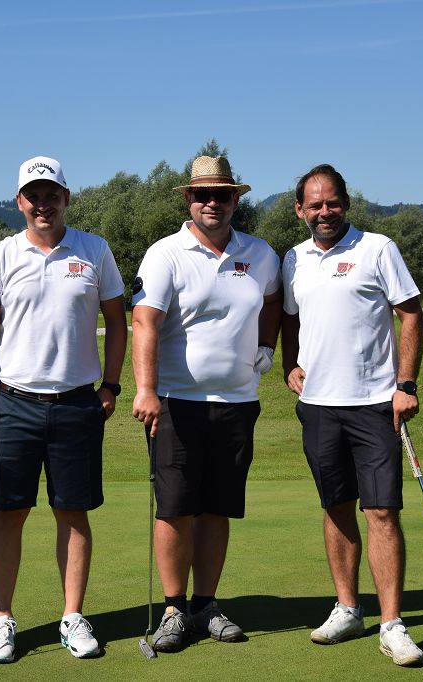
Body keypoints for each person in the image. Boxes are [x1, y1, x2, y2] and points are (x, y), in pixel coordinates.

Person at [0, 156, 127, 663]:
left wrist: (111, 385)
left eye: (51, 194)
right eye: (33, 196)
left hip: (77, 403)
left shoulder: (94, 250)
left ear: (66, 198)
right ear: (19, 202)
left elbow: (117, 322)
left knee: (72, 514)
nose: (43, 204)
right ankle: (2, 620)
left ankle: (72, 616)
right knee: (8, 513)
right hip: (14, 404)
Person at [131, 155, 282, 653]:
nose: (212, 203)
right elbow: (144, 322)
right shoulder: (165, 254)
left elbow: (273, 300)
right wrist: (146, 389)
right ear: (188, 200)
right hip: (176, 402)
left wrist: (267, 345)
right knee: (176, 508)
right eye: (202, 195)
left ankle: (206, 604)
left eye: (221, 195)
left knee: (218, 509)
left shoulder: (259, 253)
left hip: (237, 402)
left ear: (236, 199)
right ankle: (174, 609)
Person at [280, 164, 423, 667]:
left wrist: (406, 385)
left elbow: (410, 312)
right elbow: (290, 318)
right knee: (336, 506)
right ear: (300, 210)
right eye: (314, 205)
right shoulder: (293, 259)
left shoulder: (377, 248)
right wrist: (289, 364)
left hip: (374, 404)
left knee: (381, 511)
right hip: (319, 406)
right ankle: (348, 609)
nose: (324, 212)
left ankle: (392, 624)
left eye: (332, 202)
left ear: (346, 202)